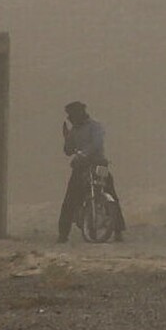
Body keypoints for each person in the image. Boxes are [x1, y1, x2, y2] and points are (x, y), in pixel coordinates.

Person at [57, 101, 126, 243]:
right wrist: (66, 137)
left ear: (81, 113)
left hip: (98, 165)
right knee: (70, 198)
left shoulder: (95, 126)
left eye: (72, 114)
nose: (70, 117)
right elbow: (68, 151)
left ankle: (118, 230)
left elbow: (97, 144)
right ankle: (63, 234)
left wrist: (83, 154)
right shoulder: (74, 131)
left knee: (110, 192)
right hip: (80, 168)